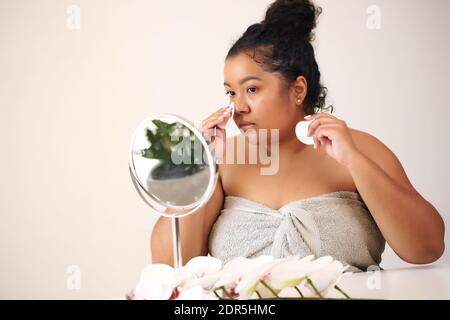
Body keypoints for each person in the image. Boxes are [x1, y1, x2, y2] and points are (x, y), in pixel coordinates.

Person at [151, 0, 445, 272]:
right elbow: (170, 267)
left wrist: (354, 161)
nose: (237, 106)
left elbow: (427, 248)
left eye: (251, 89)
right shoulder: (223, 162)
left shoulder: (359, 148)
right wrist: (196, 165)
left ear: (298, 90)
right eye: (231, 92)